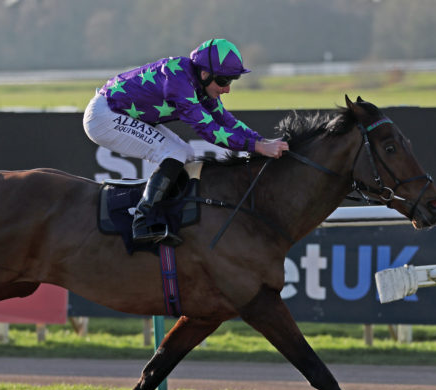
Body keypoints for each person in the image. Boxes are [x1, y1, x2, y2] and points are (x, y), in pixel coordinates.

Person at [83, 38, 288, 246]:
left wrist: (263, 140)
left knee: (186, 153)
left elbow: (226, 122)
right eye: (224, 81)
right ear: (205, 74)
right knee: (175, 153)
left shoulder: (201, 82)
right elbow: (209, 130)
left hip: (122, 113)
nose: (227, 90)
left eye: (231, 81)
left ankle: (163, 215)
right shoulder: (179, 83)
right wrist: (258, 147)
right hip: (104, 116)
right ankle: (142, 220)